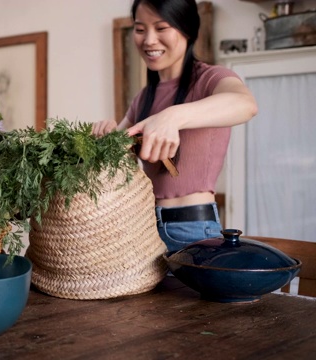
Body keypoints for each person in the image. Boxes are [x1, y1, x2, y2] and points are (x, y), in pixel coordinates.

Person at [93, 0, 258, 251]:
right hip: (144, 228)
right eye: (140, 29)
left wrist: (171, 117)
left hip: (192, 230)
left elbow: (245, 104)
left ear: (187, 30)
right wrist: (104, 136)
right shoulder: (144, 97)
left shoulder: (210, 78)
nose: (149, 40)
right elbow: (113, 157)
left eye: (161, 28)